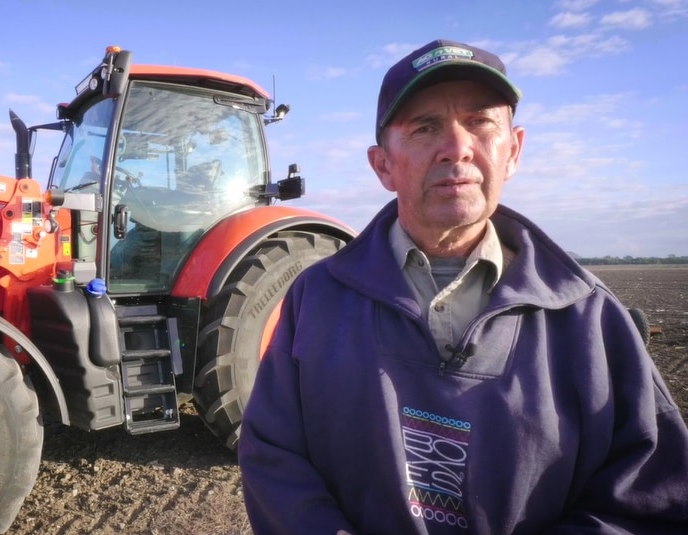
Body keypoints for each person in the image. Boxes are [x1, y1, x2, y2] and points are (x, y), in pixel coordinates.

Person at [237, 38, 688, 534]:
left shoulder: (589, 318)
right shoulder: (316, 299)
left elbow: (646, 500)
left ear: (513, 151)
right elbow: (274, 460)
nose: (456, 148)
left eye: (480, 123)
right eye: (425, 127)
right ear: (382, 165)